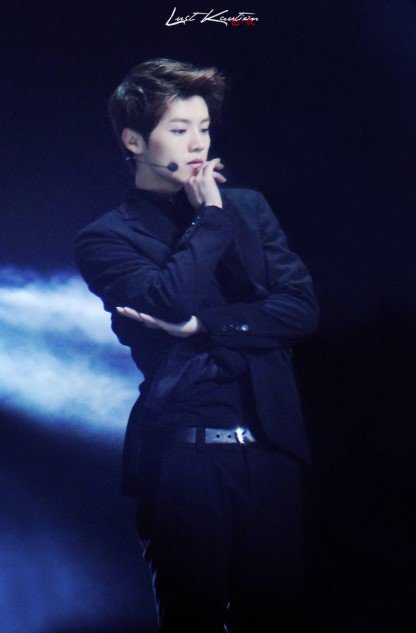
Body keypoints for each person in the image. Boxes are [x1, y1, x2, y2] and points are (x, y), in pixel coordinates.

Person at [74, 57, 320, 633]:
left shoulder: (249, 208)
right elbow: (166, 302)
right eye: (179, 129)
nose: (197, 144)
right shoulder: (107, 237)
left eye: (204, 128)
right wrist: (209, 216)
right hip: (184, 459)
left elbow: (301, 309)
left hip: (271, 451)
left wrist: (207, 327)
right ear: (134, 140)